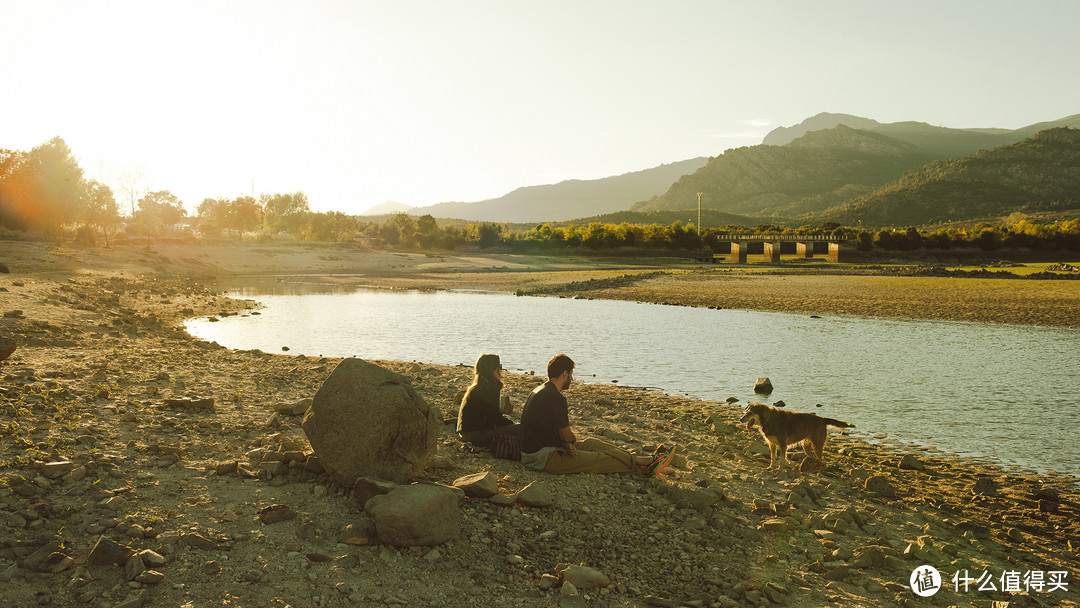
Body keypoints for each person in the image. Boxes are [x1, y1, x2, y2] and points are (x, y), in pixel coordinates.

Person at [520, 354, 674, 476]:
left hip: (545, 449)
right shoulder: (555, 397)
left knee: (593, 444)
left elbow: (548, 429)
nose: (572, 379)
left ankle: (642, 460)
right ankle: (645, 466)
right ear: (565, 374)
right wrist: (569, 442)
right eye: (571, 374)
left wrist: (567, 443)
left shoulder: (540, 390)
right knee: (600, 459)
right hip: (543, 458)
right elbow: (567, 436)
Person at [456, 353, 520, 447]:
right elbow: (494, 418)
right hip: (475, 435)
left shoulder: (477, 386)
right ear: (493, 369)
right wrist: (512, 424)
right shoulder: (490, 388)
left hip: (464, 433)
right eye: (500, 366)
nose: (501, 369)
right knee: (522, 428)